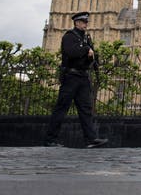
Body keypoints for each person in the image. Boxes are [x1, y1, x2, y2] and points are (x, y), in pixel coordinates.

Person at [45, 12, 108, 148]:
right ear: (77, 23)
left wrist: (94, 63)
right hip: (71, 77)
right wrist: (86, 50)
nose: (86, 24)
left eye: (87, 22)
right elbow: (71, 52)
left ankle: (90, 139)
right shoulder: (69, 36)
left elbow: (92, 56)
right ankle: (50, 139)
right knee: (62, 107)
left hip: (83, 77)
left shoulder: (86, 39)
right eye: (84, 22)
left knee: (86, 109)